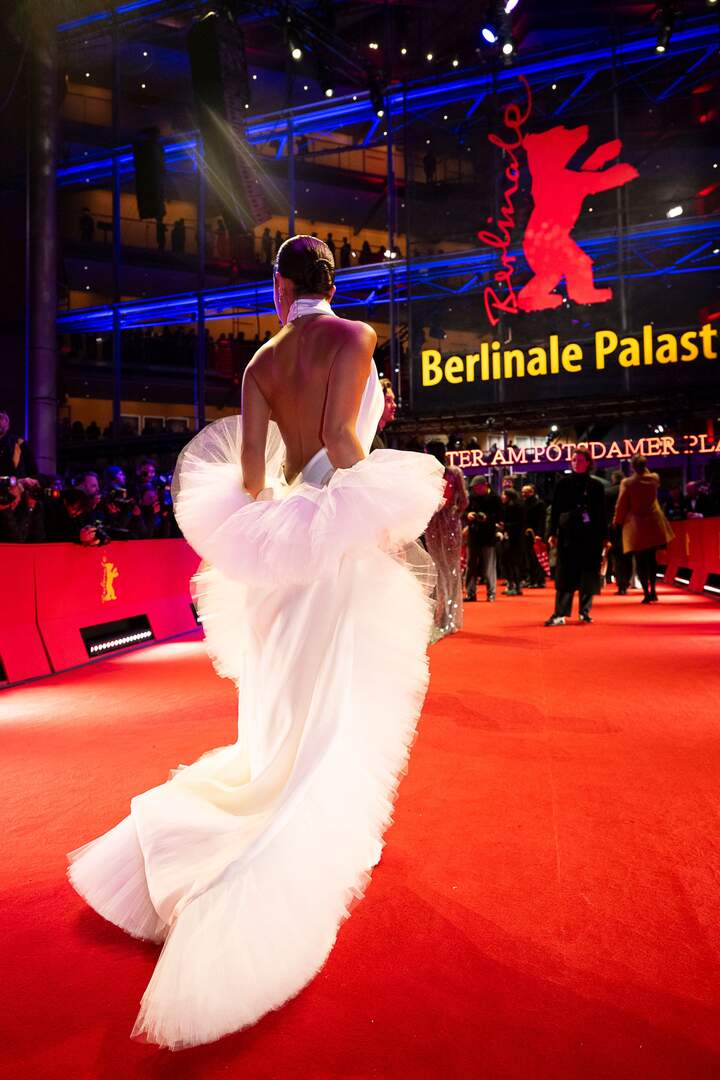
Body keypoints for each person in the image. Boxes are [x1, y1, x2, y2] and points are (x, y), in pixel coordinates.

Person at [66, 234, 444, 1050]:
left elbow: (247, 479)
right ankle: (298, 824)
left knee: (277, 696)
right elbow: (345, 443)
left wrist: (284, 512)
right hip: (332, 536)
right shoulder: (355, 338)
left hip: (279, 542)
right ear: (329, 282)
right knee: (333, 694)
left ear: (281, 285)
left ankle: (274, 791)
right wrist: (378, 508)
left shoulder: (260, 362)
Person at [545, 448, 607, 626]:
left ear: (588, 463)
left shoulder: (597, 486)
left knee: (588, 575)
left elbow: (602, 513)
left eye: (580, 460)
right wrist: (551, 533)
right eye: (574, 460)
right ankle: (560, 614)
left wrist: (605, 537)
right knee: (565, 576)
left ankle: (584, 612)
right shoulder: (562, 484)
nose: (576, 463)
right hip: (568, 535)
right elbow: (555, 510)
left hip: (591, 536)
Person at [613, 454, 674, 604]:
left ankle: (646, 593)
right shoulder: (654, 478)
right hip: (653, 522)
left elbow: (621, 505)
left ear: (632, 467)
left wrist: (617, 520)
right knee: (652, 559)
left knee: (640, 560)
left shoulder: (627, 483)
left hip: (636, 524)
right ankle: (653, 589)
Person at [424, 440, 468, 640]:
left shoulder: (449, 473)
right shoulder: (435, 473)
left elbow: (463, 500)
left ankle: (448, 618)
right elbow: (464, 501)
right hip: (440, 525)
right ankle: (443, 618)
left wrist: (451, 514)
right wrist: (453, 514)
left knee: (448, 570)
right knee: (444, 570)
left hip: (442, 525)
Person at [465, 476, 501, 602]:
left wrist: (488, 518)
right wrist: (467, 515)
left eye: (477, 487)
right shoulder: (470, 498)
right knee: (471, 566)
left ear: (485, 485)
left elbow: (500, 516)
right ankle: (470, 593)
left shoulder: (495, 498)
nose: (475, 490)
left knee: (489, 567)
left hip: (488, 536)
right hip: (473, 536)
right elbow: (463, 512)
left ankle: (491, 593)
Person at [604, 469, 632, 594]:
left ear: (613, 479)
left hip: (614, 526)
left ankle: (621, 585)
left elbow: (603, 512)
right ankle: (627, 580)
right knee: (629, 555)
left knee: (618, 556)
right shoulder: (630, 492)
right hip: (630, 525)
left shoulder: (608, 492)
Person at [500, 487, 526, 595]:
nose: (502, 496)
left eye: (504, 495)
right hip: (511, 537)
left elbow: (520, 523)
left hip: (514, 538)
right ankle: (512, 584)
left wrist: (505, 526)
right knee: (509, 562)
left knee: (513, 562)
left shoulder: (515, 507)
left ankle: (515, 585)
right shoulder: (506, 507)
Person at [520, 483, 547, 588]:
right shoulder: (523, 504)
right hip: (526, 534)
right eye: (522, 492)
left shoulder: (539, 504)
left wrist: (539, 534)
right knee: (528, 558)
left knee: (537, 558)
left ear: (531, 492)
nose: (523, 494)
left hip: (536, 534)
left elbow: (541, 520)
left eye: (525, 492)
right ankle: (530, 579)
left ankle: (539, 580)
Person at [369, 377, 396, 451]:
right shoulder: (368, 435)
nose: (394, 405)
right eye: (388, 400)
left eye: (393, 400)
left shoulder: (381, 435)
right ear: (377, 401)